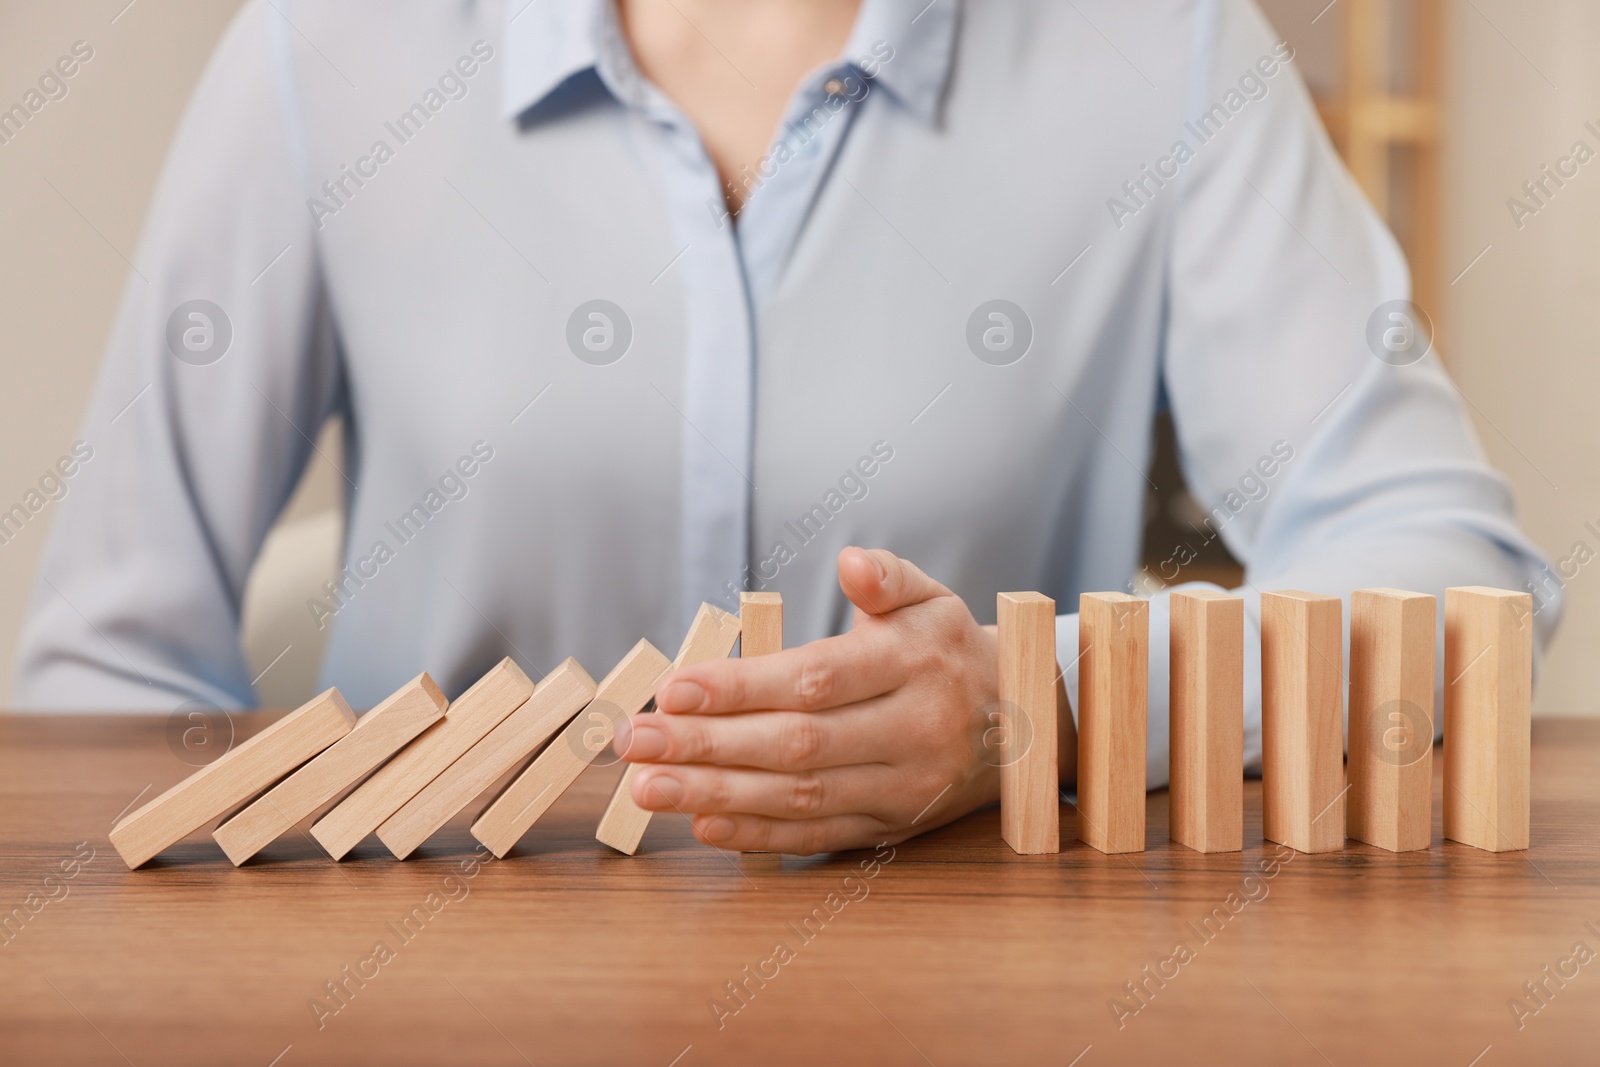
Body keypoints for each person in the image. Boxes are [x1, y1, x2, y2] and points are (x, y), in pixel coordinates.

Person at [15, 0, 1558, 855]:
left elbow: (1451, 589)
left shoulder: (1166, 52)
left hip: (968, 1010)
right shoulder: (326, 51)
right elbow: (103, 665)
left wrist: (1048, 713)